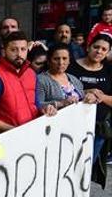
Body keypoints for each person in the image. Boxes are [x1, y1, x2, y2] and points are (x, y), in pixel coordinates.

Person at [0, 31, 57, 133]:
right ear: (4, 51)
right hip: (8, 139)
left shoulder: (31, 74)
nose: (19, 54)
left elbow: (36, 105)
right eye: (13, 50)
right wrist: (15, 131)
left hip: (33, 135)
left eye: (23, 49)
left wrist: (45, 109)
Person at [68, 33, 112, 183]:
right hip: (70, 128)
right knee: (67, 167)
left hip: (97, 129)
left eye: (104, 49)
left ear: (107, 53)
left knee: (85, 168)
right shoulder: (71, 66)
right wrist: (86, 92)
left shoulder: (108, 70)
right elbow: (61, 90)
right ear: (88, 47)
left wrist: (99, 96)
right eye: (96, 47)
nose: (99, 51)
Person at [37, 45, 84, 110]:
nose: (61, 62)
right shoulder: (40, 80)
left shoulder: (74, 79)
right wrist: (60, 103)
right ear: (48, 61)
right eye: (56, 59)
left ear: (69, 61)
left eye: (64, 58)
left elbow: (82, 98)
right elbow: (37, 105)